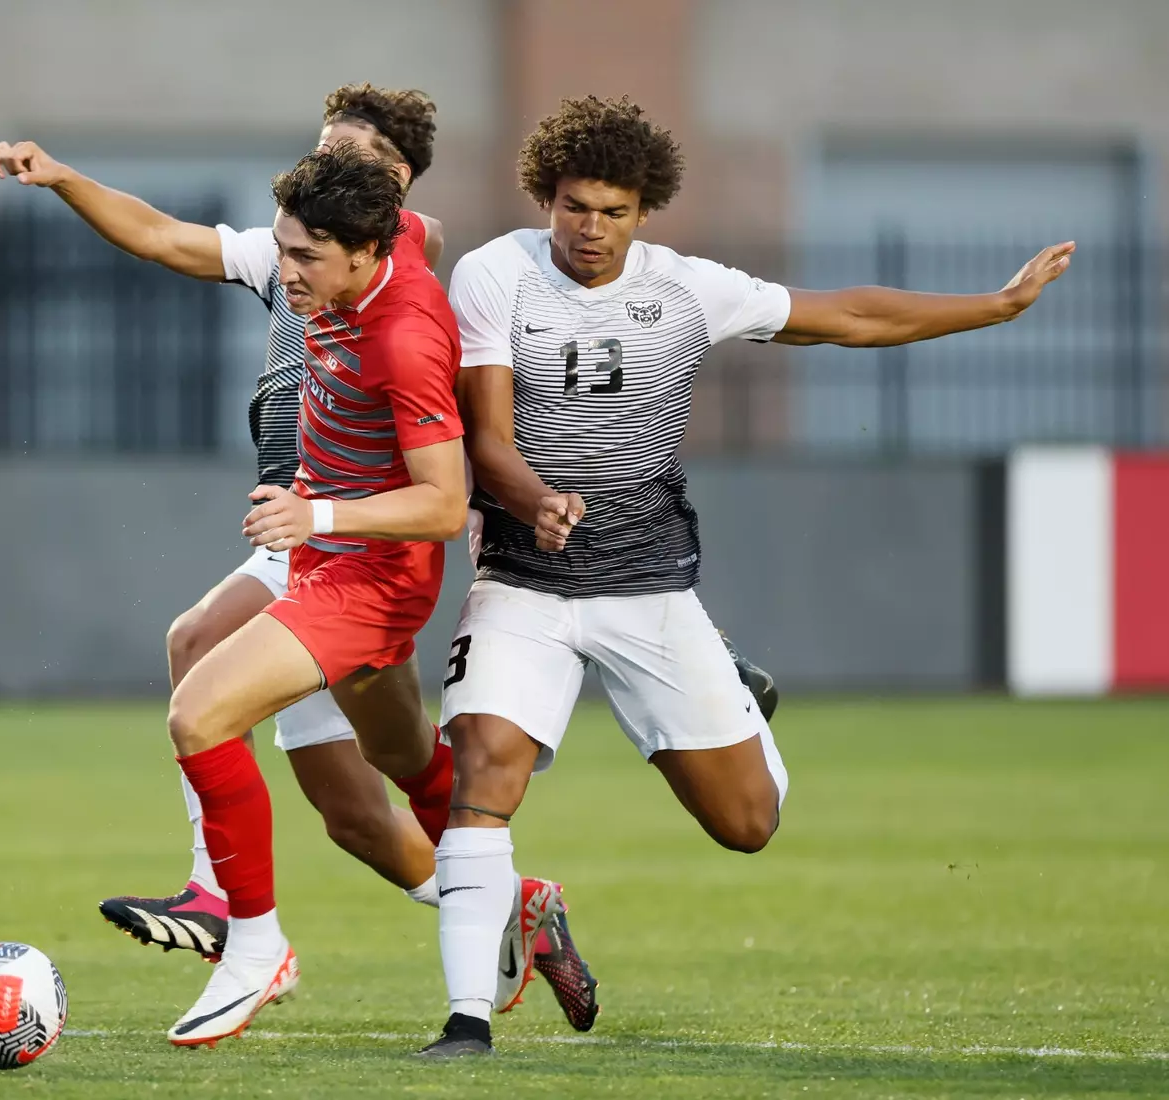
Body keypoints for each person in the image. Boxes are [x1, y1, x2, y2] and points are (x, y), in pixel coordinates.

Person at [418, 95, 1075, 1058]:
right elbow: (487, 433)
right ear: (544, 198)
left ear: (645, 213)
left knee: (747, 824)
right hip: (525, 582)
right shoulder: (495, 273)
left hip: (648, 590)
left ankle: (735, 691)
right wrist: (531, 499)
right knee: (481, 773)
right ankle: (467, 1021)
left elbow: (843, 315)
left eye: (611, 211)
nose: (588, 228)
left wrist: (997, 304)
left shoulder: (688, 289)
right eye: (571, 206)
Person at [0, 87, 598, 1037]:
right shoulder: (311, 262)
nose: (285, 267)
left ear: (383, 208)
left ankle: (240, 927)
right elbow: (161, 236)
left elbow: (441, 498)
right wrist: (65, 176)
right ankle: (515, 903)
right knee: (383, 789)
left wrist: (319, 509)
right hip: (315, 549)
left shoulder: (400, 310)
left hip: (354, 558)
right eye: (322, 157)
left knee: (198, 692)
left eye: (350, 160)